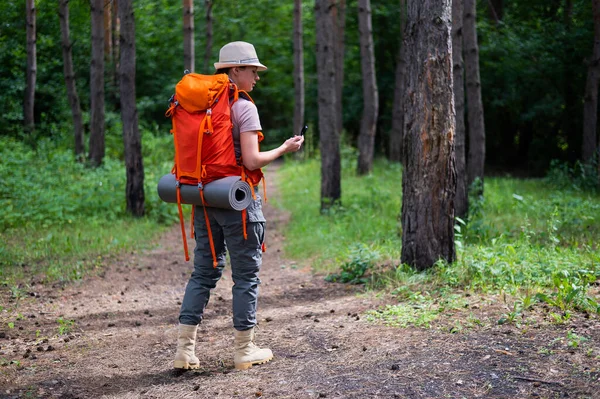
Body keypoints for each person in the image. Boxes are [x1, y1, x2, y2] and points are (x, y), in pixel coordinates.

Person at [173, 41, 304, 371]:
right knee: (246, 276)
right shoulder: (243, 107)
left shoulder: (199, 104)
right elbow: (251, 159)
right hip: (238, 199)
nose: (257, 77)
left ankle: (184, 351)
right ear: (235, 71)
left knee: (203, 273)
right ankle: (244, 350)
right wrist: (284, 149)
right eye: (252, 70)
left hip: (204, 197)